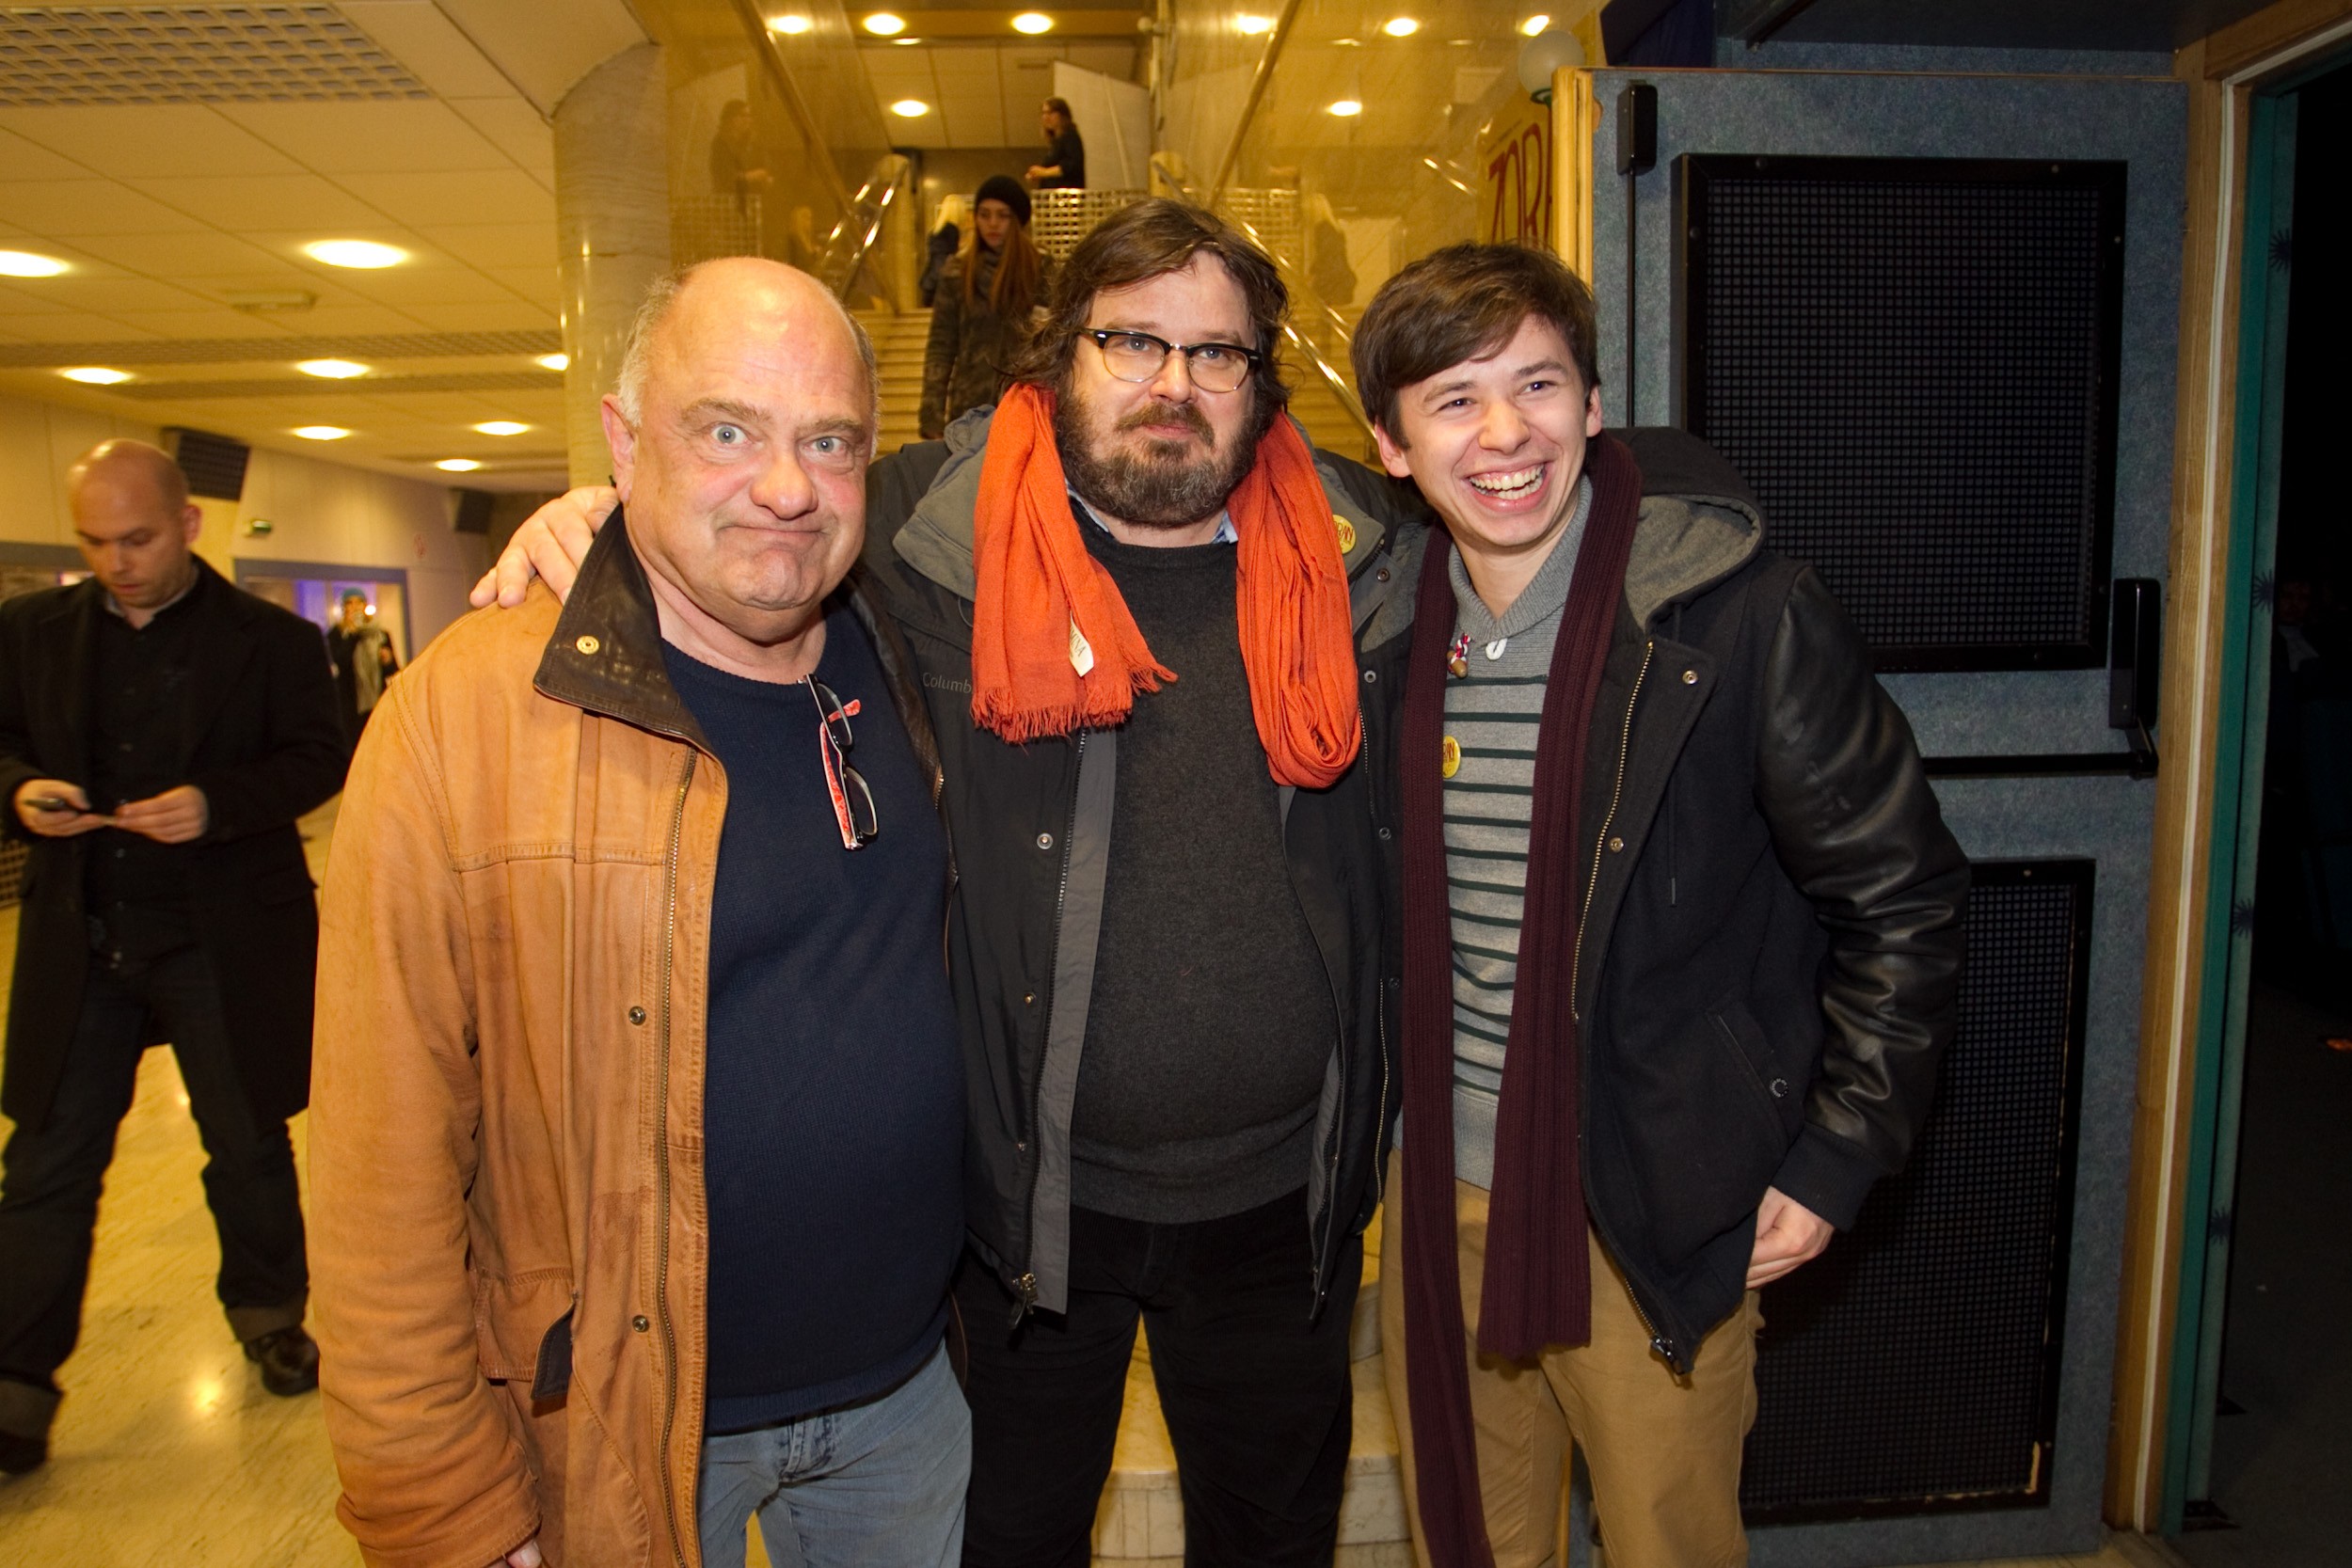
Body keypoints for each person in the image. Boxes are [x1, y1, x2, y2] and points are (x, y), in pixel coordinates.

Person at [475, 198, 1423, 1567]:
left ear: (1259, 382)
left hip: (1284, 1208)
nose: (1172, 382)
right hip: (1022, 1215)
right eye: (1131, 341)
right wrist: (600, 518)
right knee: (1010, 1540)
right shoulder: (926, 535)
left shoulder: (1362, 551)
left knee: (1273, 1542)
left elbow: (1530, 498)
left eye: (1216, 353)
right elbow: (755, 511)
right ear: (1059, 352)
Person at [309, 259, 971, 1568]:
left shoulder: (906, 650)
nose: (786, 486)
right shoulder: (467, 713)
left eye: (828, 441)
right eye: (725, 430)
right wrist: (436, 1494)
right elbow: (380, 1149)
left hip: (904, 1399)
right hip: (615, 1419)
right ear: (621, 443)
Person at [1350, 244, 1970, 1567]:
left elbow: (1903, 895)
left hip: (1650, 1194)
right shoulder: (1384, 637)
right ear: (1392, 447)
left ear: (1591, 402)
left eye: (1538, 384)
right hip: (1437, 1194)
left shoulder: (1734, 620)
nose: (1505, 433)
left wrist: (1836, 1150)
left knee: (1665, 1544)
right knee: (1474, 1543)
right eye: (1454, 399)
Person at [0, 438, 345, 1477]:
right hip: (82, 936)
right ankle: (14, 1384)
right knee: (47, 1162)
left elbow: (320, 756)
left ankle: (270, 1312)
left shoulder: (272, 641)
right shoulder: (29, 633)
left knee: (244, 1141)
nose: (117, 562)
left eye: (138, 539)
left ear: (189, 525)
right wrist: (20, 792)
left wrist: (216, 804)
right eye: (95, 542)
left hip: (219, 939)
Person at [918, 175, 1047, 441]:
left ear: (1017, 220)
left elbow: (1053, 343)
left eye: (1003, 215)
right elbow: (941, 346)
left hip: (1025, 405)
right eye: (984, 215)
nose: (992, 224)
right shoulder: (957, 272)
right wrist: (932, 413)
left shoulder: (1040, 269)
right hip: (969, 408)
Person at [323, 587, 397, 751]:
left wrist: (388, 660)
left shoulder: (379, 634)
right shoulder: (336, 635)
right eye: (350, 603)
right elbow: (339, 662)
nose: (355, 607)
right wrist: (352, 634)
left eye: (359, 602)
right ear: (344, 608)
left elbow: (392, 671)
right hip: (350, 708)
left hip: (376, 704)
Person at [708, 98, 773, 209]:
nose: (748, 120)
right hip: (728, 204)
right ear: (730, 118)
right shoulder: (720, 144)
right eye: (743, 115)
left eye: (749, 116)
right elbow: (726, 178)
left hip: (754, 202)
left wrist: (767, 178)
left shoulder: (753, 142)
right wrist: (754, 176)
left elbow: (766, 168)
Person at [921, 193, 970, 309]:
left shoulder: (935, 230)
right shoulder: (952, 230)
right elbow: (948, 257)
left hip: (930, 281)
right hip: (940, 281)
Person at [1028, 96, 1085, 190]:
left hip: (1065, 194)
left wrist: (1045, 172)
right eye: (1044, 113)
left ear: (1062, 115)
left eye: (1050, 113)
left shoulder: (1070, 137)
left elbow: (1072, 165)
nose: (1046, 117)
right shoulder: (1056, 141)